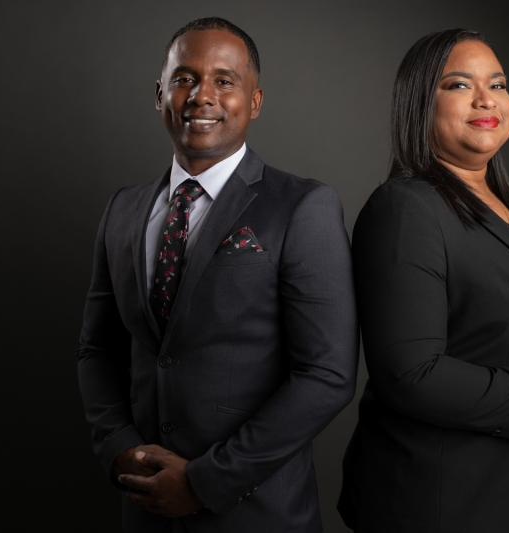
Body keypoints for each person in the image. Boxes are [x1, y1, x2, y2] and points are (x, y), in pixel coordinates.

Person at [76, 17, 358, 533]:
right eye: (184, 78)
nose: (202, 95)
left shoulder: (303, 207)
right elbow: (98, 349)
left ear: (254, 101)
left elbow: (327, 374)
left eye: (224, 80)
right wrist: (118, 449)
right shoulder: (122, 209)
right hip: (145, 509)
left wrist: (206, 481)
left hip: (256, 513)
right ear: (159, 93)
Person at [338, 29, 509, 532]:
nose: (486, 99)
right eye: (459, 85)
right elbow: (411, 376)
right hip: (441, 503)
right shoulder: (406, 209)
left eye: (498, 85)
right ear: (420, 103)